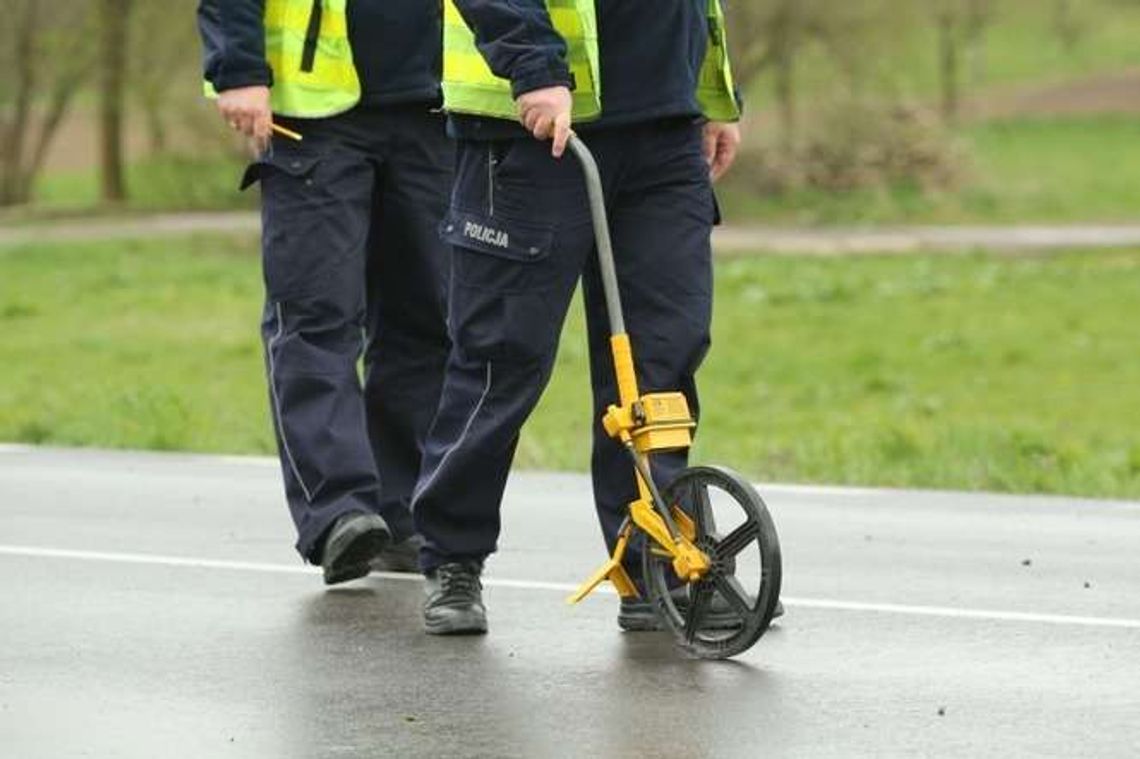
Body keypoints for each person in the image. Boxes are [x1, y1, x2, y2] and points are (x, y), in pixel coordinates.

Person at [414, 0, 780, 635]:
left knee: (661, 361)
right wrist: (533, 68)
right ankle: (453, 557)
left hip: (665, 130)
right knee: (503, 359)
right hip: (533, 130)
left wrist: (713, 96)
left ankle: (655, 565)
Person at [196, 0, 452, 584]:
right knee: (315, 315)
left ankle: (405, 511)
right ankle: (338, 513)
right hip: (312, 115)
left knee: (428, 319)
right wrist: (237, 66)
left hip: (438, 108)